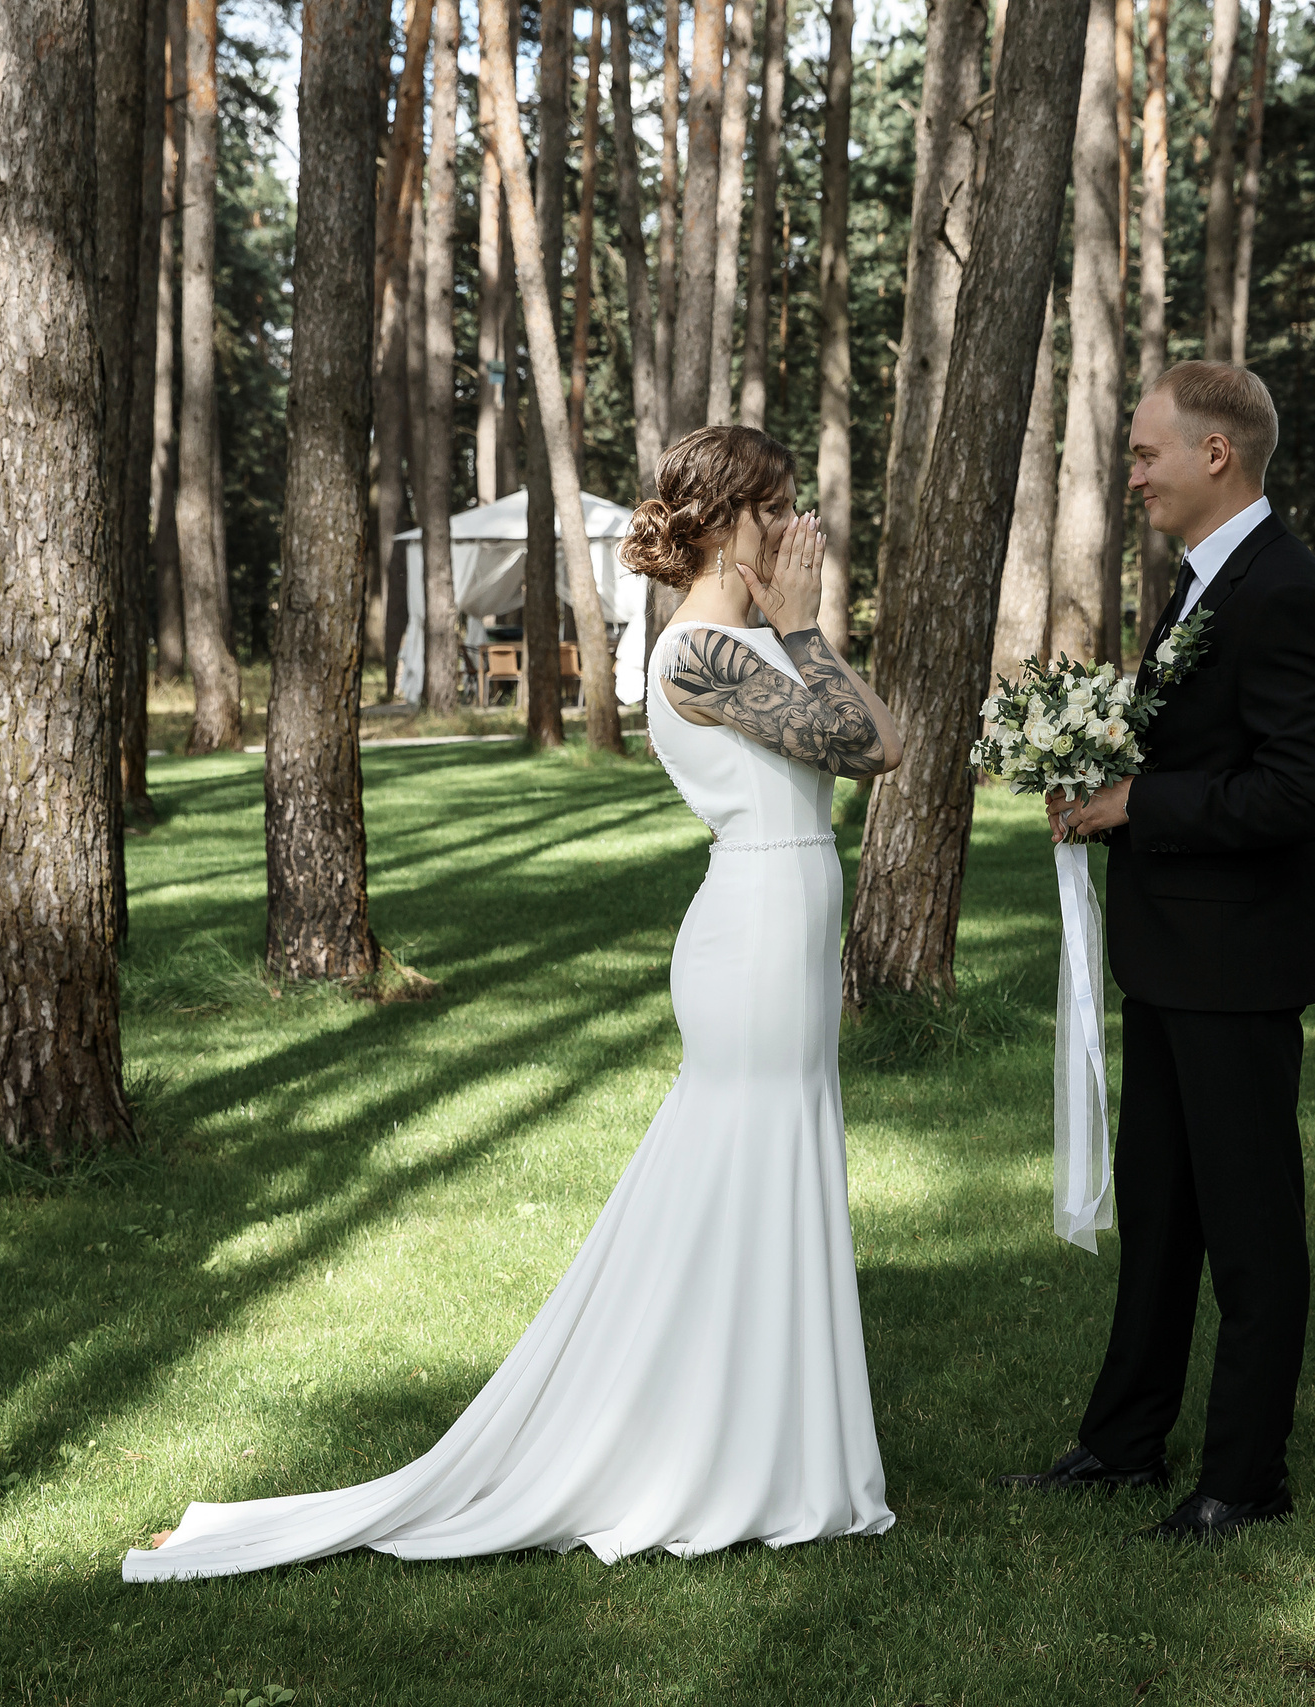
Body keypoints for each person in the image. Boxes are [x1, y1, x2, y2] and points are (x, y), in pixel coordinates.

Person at [125, 426, 903, 1580]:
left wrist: (795, 628)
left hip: (784, 925)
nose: (798, 530)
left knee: (770, 1168)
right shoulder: (699, 653)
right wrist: (800, 624)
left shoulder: (744, 643)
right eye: (778, 507)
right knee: (741, 1166)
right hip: (750, 938)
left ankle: (768, 1441)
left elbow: (875, 734)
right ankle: (700, 1446)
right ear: (731, 519)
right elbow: (869, 746)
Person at [1001, 361, 1315, 1543]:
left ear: (1216, 455)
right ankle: (1122, 1443)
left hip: (1239, 968)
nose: (1132, 473)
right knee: (1158, 1215)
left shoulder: (1282, 591)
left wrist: (1136, 805)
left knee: (1251, 1232)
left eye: (1147, 453)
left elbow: (1301, 793)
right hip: (1169, 957)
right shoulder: (1203, 584)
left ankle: (1246, 1480)